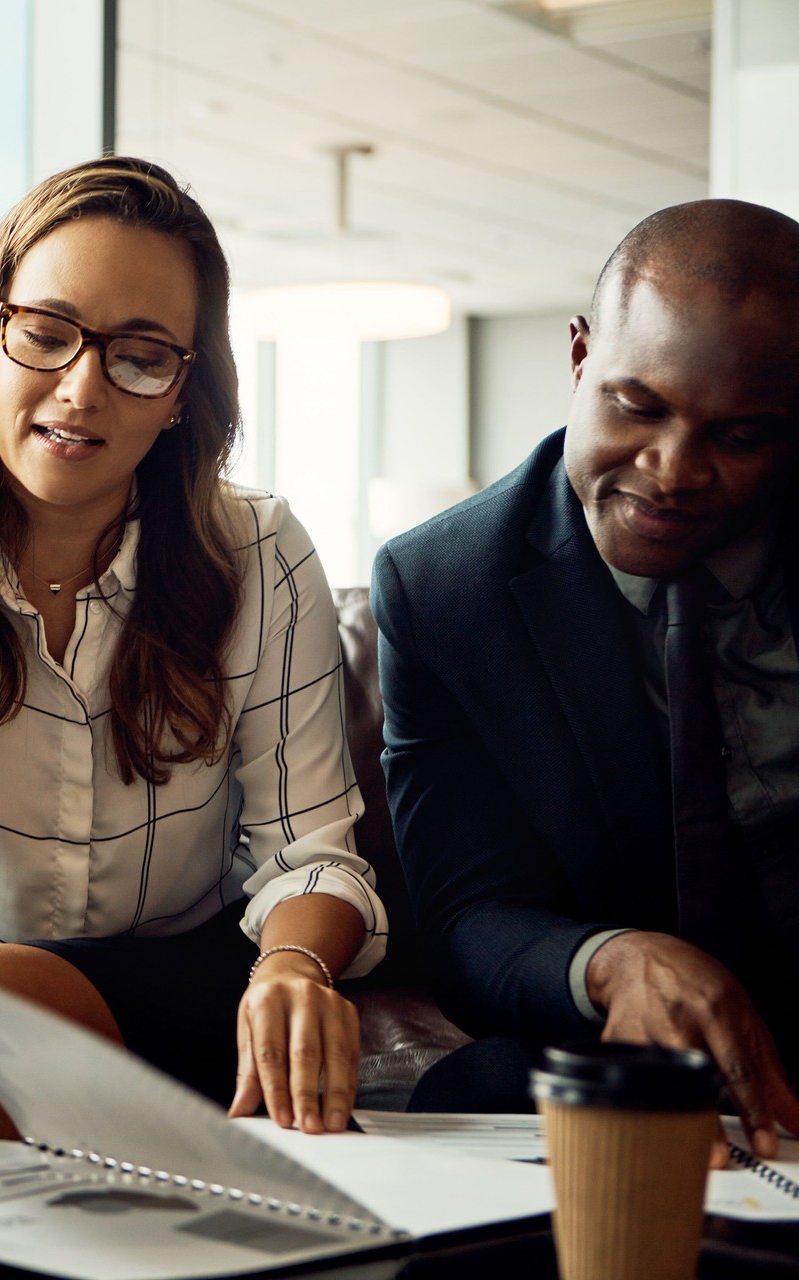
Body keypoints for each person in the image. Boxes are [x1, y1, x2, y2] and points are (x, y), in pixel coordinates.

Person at [0, 156, 389, 1152]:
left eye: (140, 356)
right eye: (46, 334)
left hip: (184, 1008)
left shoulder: (260, 552)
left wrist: (291, 969)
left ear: (185, 389)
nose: (81, 388)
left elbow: (309, 850)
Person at [372, 198, 799, 1164]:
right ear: (577, 357)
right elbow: (471, 916)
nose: (672, 471)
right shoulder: (445, 588)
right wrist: (611, 960)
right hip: (625, 1056)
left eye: (739, 437)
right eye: (636, 406)